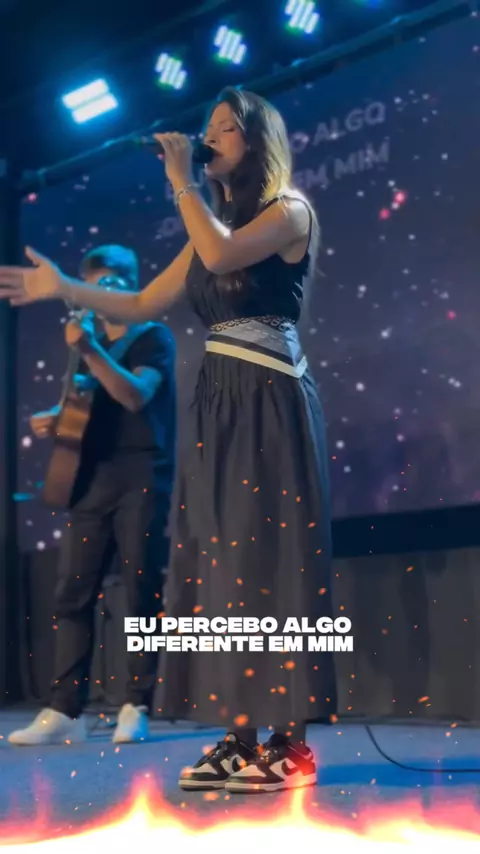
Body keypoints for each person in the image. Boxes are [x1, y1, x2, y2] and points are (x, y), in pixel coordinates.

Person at [0, 88, 337, 792]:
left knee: (273, 557)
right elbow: (139, 302)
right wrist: (64, 288)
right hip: (219, 403)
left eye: (224, 129)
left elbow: (221, 254)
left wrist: (182, 180)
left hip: (270, 396)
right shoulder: (210, 228)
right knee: (224, 565)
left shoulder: (290, 210)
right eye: (206, 128)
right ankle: (240, 737)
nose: (209, 138)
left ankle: (291, 744)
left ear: (257, 142)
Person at [7, 245, 176, 746]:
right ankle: (64, 709)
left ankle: (135, 703)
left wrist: (89, 350)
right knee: (72, 593)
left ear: (132, 282)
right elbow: (87, 404)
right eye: (97, 283)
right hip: (90, 479)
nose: (106, 292)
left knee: (141, 588)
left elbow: (133, 396)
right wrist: (57, 419)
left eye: (115, 282)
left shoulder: (152, 336)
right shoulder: (90, 340)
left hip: (141, 474)